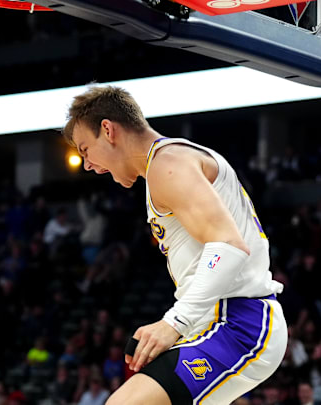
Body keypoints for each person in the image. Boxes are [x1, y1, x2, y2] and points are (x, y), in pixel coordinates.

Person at [64, 85, 286, 405]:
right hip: (216, 324)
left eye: (86, 149)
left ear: (108, 130)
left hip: (239, 323)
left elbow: (229, 246)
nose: (87, 165)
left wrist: (173, 323)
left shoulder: (168, 165)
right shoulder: (167, 164)